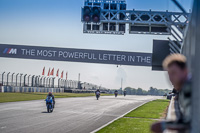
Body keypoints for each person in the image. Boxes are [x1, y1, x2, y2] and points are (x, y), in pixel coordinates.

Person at [151, 54, 191, 133]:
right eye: (169, 74)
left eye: (174, 73)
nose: (171, 78)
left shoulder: (190, 89)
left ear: (185, 71)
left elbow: (190, 122)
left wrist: (163, 125)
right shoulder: (184, 89)